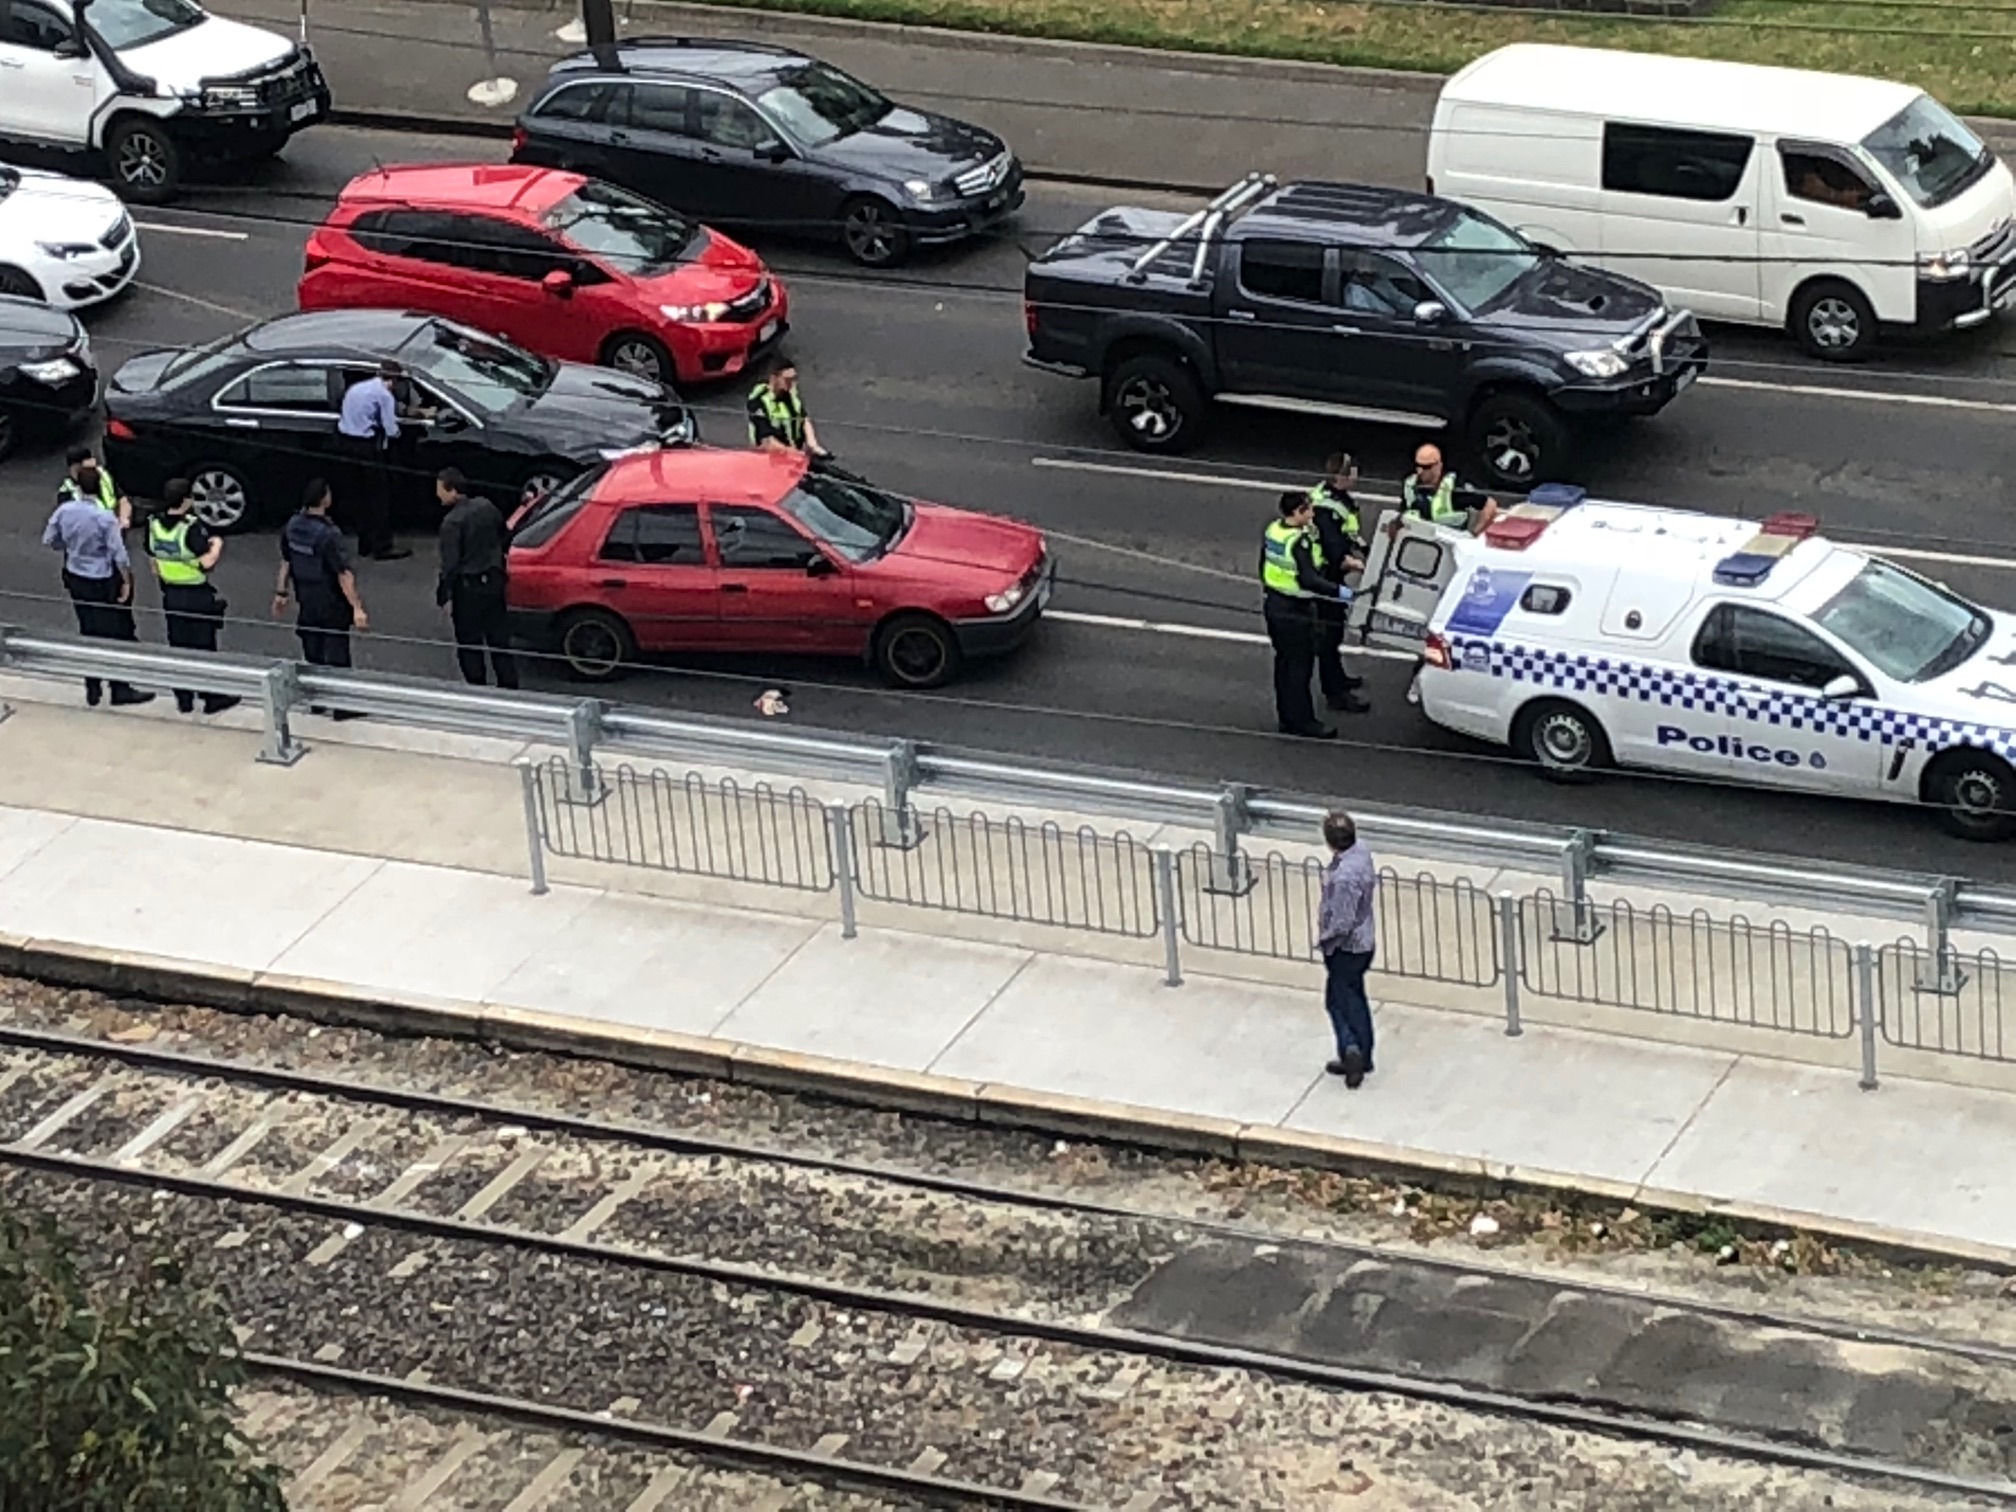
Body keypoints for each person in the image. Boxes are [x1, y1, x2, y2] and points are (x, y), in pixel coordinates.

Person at [42, 480, 151, 707]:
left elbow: (50, 539)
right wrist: (127, 580)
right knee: (113, 633)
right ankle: (119, 689)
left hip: (76, 576)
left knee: (88, 628)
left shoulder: (65, 510)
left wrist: (71, 547)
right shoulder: (104, 518)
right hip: (102, 578)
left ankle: (92, 687)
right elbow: (119, 554)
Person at [274, 478, 370, 718]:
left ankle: (316, 700)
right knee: (337, 651)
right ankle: (343, 706)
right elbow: (342, 573)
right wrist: (357, 608)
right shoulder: (328, 534)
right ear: (325, 499)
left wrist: (281, 592)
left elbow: (286, 560)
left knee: (312, 649)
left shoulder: (293, 526)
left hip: (305, 597)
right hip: (329, 599)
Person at [1262, 491, 1352, 740]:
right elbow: (1308, 579)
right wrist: (1339, 592)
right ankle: (1303, 721)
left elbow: (1264, 563)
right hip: (1295, 609)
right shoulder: (1299, 541)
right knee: (1300, 668)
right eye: (1309, 510)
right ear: (1298, 512)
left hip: (1274, 603)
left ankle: (1286, 717)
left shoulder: (1274, 530)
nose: (1313, 514)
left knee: (1284, 664)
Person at [146, 478, 240, 716]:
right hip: (196, 595)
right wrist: (217, 544)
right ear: (186, 500)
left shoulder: (153, 525)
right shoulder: (191, 527)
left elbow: (154, 565)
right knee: (203, 648)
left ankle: (184, 699)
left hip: (170, 594)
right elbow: (206, 562)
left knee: (178, 648)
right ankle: (211, 698)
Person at [434, 467, 520, 690]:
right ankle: (509, 687)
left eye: (440, 490)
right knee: (499, 640)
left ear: (452, 490)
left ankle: (477, 689)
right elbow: (505, 535)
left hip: (468, 589)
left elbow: (450, 565)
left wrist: (444, 595)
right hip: (494, 582)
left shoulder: (451, 523)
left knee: (470, 644)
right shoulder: (486, 506)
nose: (437, 495)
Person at [1317, 809, 1377, 1088]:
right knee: (1354, 997)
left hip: (1346, 949)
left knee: (1338, 1000)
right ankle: (1363, 1052)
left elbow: (1342, 921)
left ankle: (1352, 1050)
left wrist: (1325, 940)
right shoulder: (1361, 853)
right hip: (1365, 941)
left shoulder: (1343, 878)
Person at [1308, 453, 1370, 716]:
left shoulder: (1332, 497)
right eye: (1353, 471)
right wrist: (1357, 564)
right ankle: (1336, 694)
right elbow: (1333, 549)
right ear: (1343, 477)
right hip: (1325, 579)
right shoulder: (1326, 509)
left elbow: (1348, 532)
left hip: (1330, 575)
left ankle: (1339, 679)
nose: (1357, 474)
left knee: (1334, 631)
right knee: (1329, 636)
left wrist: (1362, 547)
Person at [336, 360, 415, 561]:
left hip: (346, 442)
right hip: (367, 447)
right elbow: (392, 430)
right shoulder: (384, 396)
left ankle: (365, 543)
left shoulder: (358, 387)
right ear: (395, 381)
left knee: (359, 496)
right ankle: (382, 546)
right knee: (379, 497)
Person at [1400, 445, 1500, 536]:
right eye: (1418, 466)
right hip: (1415, 541)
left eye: (1426, 467)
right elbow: (1402, 512)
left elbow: (1490, 505)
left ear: (1438, 466)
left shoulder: (1454, 488)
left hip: (1448, 543)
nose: (1420, 471)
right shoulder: (1410, 485)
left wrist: (1474, 534)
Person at [746, 363, 830, 459]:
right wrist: (795, 454)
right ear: (774, 379)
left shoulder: (790, 392)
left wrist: (813, 445)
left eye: (794, 378)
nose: (792, 383)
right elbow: (767, 441)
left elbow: (803, 418)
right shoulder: (759, 400)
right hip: (769, 459)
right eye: (787, 380)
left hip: (793, 455)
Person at [56, 444, 133, 529]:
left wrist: (124, 518)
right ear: (76, 467)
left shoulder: (103, 475)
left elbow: (122, 499)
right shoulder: (67, 492)